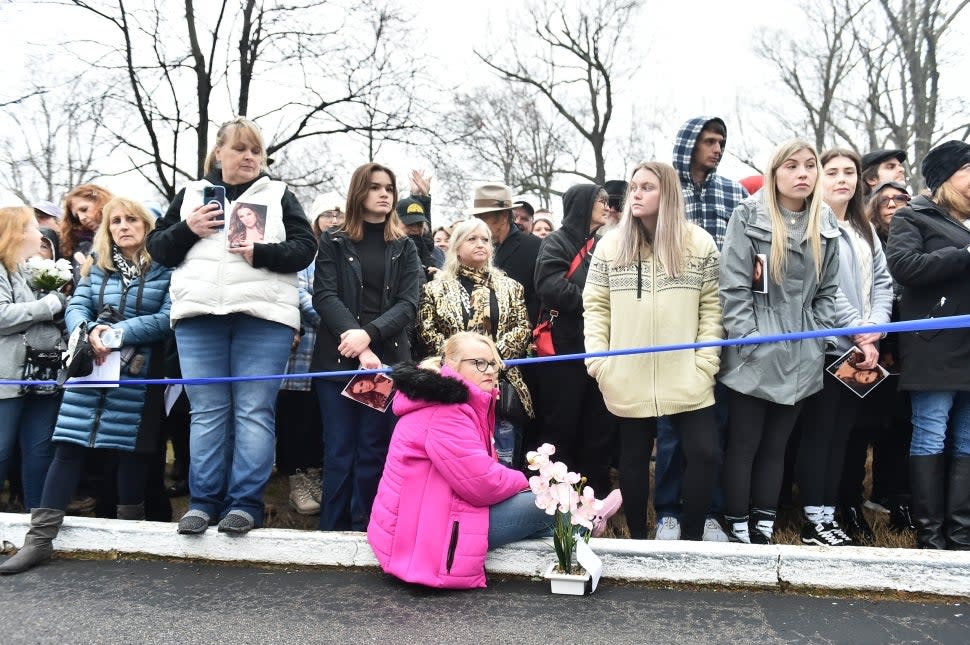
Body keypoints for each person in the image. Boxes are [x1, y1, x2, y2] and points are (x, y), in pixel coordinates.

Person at [147, 117, 316, 536]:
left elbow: (305, 248)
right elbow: (158, 249)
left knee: (254, 412)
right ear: (218, 153)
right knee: (206, 412)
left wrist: (262, 253)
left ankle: (245, 504)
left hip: (264, 318)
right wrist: (189, 228)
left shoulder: (279, 194)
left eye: (256, 151)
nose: (249, 157)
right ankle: (203, 502)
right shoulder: (189, 195)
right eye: (240, 148)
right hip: (199, 317)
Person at [0, 198, 172, 575]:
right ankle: (40, 541)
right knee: (69, 445)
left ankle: (128, 539)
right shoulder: (97, 267)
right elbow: (77, 305)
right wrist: (87, 328)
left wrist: (118, 333)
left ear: (146, 225)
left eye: (131, 220)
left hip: (139, 373)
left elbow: (167, 317)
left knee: (132, 453)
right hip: (90, 365)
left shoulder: (166, 268)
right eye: (115, 222)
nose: (123, 226)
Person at [368, 332, 619, 589]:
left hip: (424, 523)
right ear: (452, 364)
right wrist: (530, 481)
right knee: (547, 502)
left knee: (548, 507)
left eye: (494, 364)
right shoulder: (445, 412)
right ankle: (587, 516)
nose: (490, 371)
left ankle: (583, 520)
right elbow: (482, 484)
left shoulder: (448, 402)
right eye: (479, 363)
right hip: (429, 536)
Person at [584, 162, 722, 541]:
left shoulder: (699, 243)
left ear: (669, 194)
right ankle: (638, 541)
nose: (636, 195)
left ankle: (692, 539)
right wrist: (599, 360)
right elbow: (595, 305)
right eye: (633, 188)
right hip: (627, 372)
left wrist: (706, 360)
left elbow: (712, 307)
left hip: (686, 373)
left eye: (647, 187)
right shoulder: (610, 245)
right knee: (632, 458)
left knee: (705, 453)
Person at [719, 140, 841, 544]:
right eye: (792, 166)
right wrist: (750, 340)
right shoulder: (747, 216)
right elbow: (733, 289)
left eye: (810, 166)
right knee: (744, 444)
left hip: (803, 352)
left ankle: (764, 523)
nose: (803, 173)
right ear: (775, 173)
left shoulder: (825, 223)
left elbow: (827, 293)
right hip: (754, 350)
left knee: (776, 445)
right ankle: (737, 521)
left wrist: (816, 336)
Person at [311, 162, 420, 532]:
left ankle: (367, 527)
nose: (385, 194)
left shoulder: (404, 246)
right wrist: (359, 346)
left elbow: (409, 303)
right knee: (339, 449)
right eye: (375, 187)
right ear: (359, 192)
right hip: (339, 359)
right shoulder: (335, 240)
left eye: (389, 187)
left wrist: (369, 336)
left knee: (373, 447)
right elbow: (323, 295)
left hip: (383, 362)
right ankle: (332, 529)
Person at [794, 148, 892, 547]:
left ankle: (830, 514)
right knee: (820, 435)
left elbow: (883, 283)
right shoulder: (813, 225)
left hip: (860, 349)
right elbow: (826, 290)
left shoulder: (863, 228)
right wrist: (858, 330)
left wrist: (876, 330)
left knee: (841, 436)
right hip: (827, 348)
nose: (842, 179)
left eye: (849, 172)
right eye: (831, 171)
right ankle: (812, 519)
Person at [657, 116, 748, 541]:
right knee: (670, 426)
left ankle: (709, 511)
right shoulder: (663, 189)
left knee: (715, 425)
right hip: (669, 324)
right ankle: (668, 512)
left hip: (720, 321)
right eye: (709, 141)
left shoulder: (734, 192)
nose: (717, 148)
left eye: (722, 142)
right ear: (688, 143)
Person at [885, 140, 970, 550]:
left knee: (968, 440)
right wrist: (965, 253)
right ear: (944, 178)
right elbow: (905, 267)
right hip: (933, 344)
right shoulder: (912, 216)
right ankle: (931, 538)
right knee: (931, 434)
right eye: (967, 171)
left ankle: (960, 535)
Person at [418, 219, 533, 467]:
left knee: (504, 459)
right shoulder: (434, 289)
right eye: (472, 239)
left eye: (485, 240)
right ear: (457, 248)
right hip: (453, 386)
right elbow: (428, 332)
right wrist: (464, 362)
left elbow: (522, 328)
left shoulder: (511, 287)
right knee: (463, 463)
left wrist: (490, 362)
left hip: (501, 385)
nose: (480, 244)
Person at [533, 184, 613, 494]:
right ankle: (555, 497)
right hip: (563, 351)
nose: (607, 206)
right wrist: (596, 304)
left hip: (600, 348)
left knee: (599, 426)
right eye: (600, 201)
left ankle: (596, 497)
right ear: (582, 204)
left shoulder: (605, 244)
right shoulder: (557, 241)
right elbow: (550, 285)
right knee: (561, 425)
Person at [847, 180, 914, 533]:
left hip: (909, 355)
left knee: (901, 432)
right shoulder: (867, 243)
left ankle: (896, 500)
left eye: (900, 197)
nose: (892, 204)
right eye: (884, 199)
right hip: (868, 350)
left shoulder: (917, 239)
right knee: (861, 430)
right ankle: (852, 504)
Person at [0, 207, 65, 514]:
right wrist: (48, 305)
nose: (41, 235)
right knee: (1, 451)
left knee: (40, 449)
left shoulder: (33, 270)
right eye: (33, 228)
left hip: (43, 372)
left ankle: (37, 519)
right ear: (17, 233)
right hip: (7, 375)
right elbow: (1, 316)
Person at [468, 183, 542, 325]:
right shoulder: (473, 248)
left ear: (502, 216)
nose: (477, 223)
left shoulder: (534, 247)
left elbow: (538, 299)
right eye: (476, 217)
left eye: (482, 217)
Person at [60, 184, 114, 287]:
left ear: (100, 201)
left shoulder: (126, 234)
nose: (81, 218)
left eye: (84, 209)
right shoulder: (83, 247)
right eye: (76, 216)